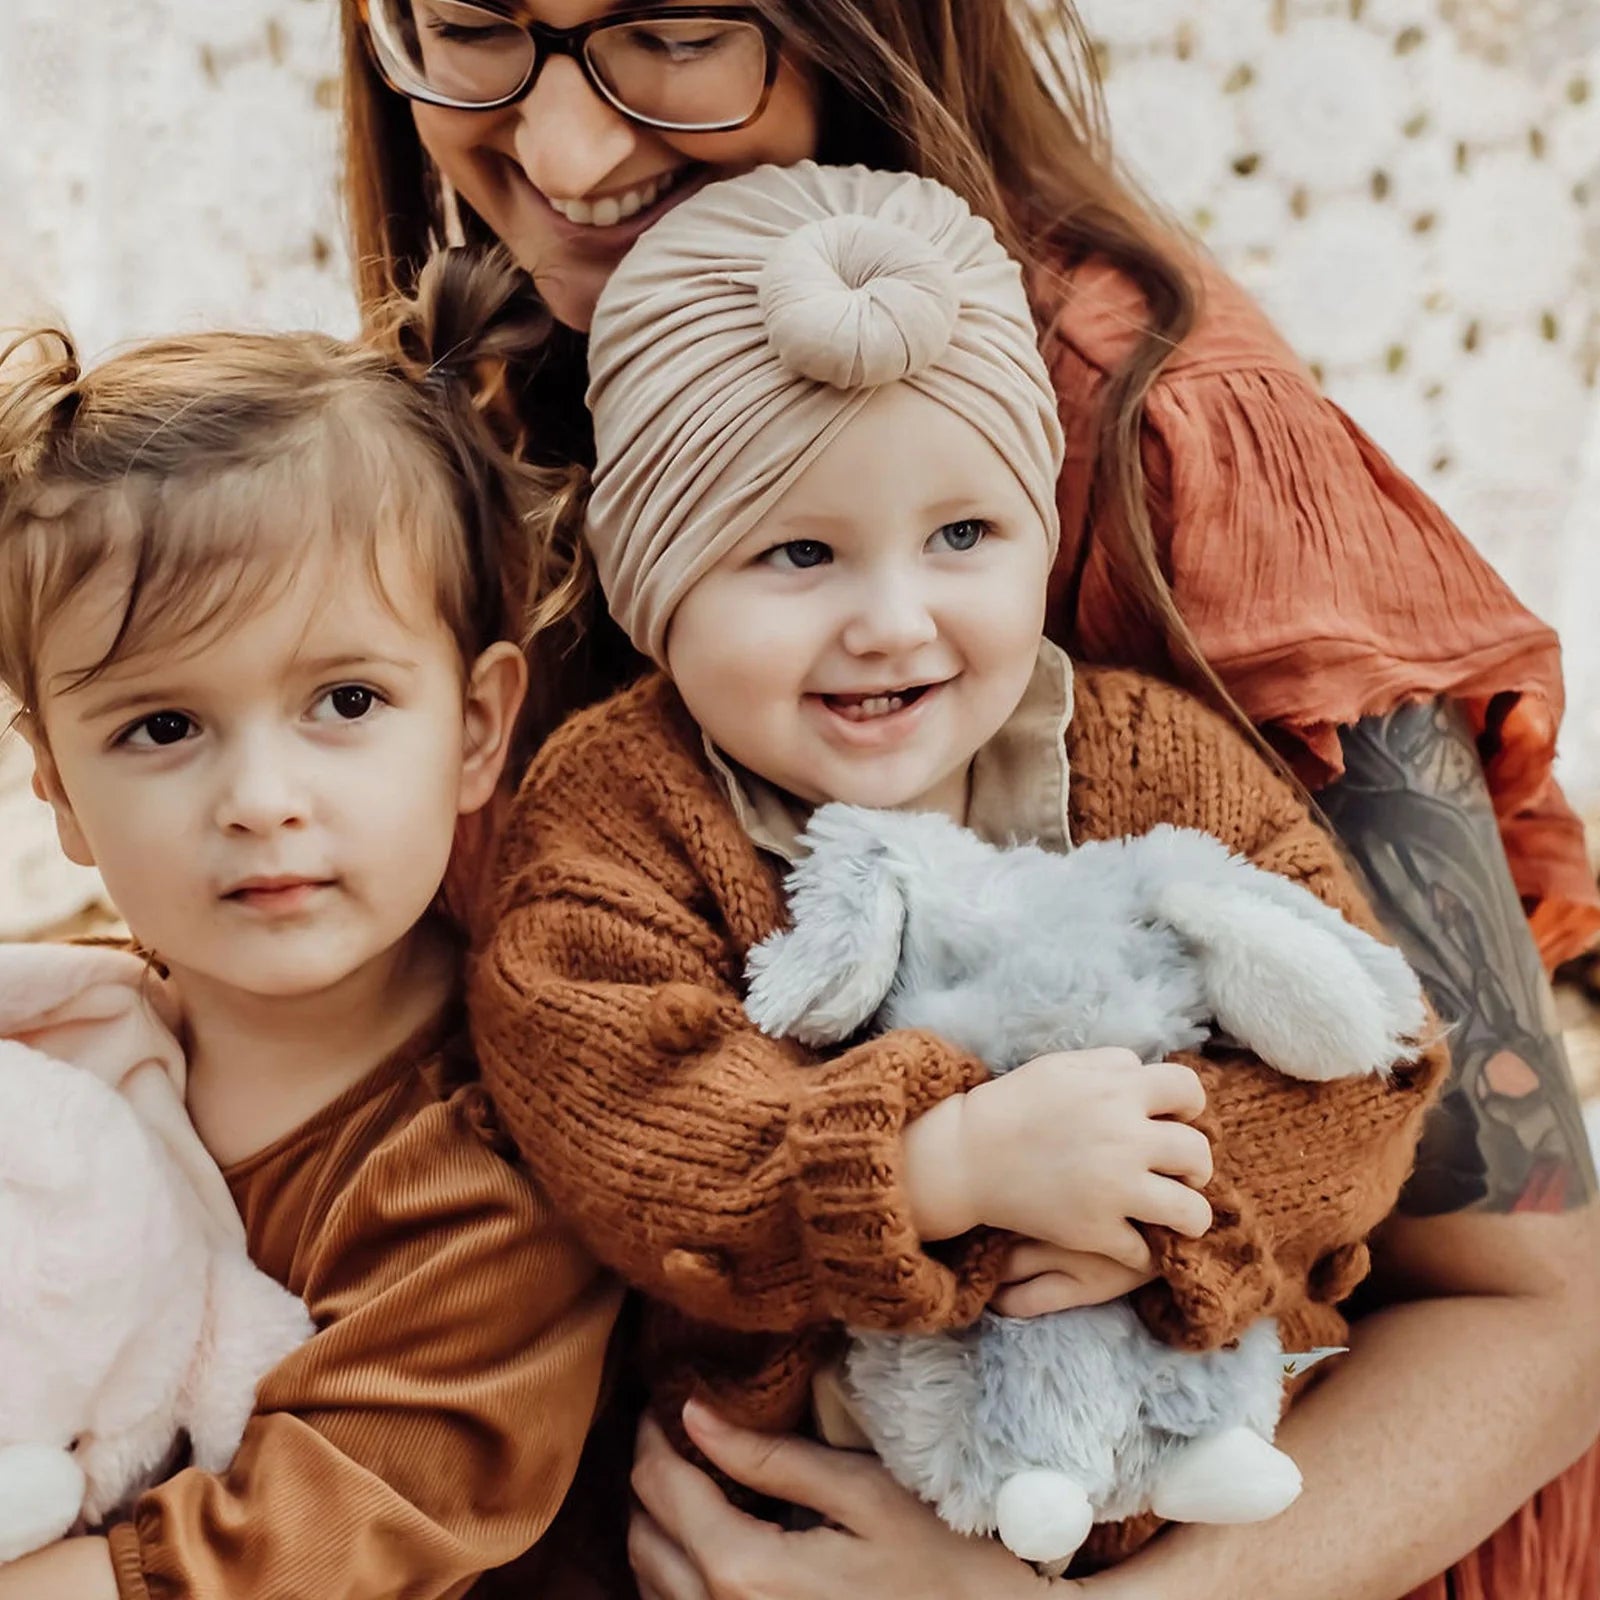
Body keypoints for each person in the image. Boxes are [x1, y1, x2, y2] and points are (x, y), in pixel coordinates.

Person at [339, 4, 1600, 1595]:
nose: (569, 148)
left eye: (672, 32)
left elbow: (1535, 1301)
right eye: (468, 21)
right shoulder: (463, 390)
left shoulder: (1153, 431)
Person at [471, 155, 1449, 1578]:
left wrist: (1156, 1195)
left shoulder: (1149, 764)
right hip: (782, 1525)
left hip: (1172, 1492)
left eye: (961, 537)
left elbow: (1370, 1063)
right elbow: (625, 1115)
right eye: (799, 552)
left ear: (1035, 542)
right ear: (651, 576)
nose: (893, 619)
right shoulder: (616, 821)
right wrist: (940, 1168)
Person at [0, 251, 621, 1600]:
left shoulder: (493, 1153)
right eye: (164, 727)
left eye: (344, 703)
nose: (263, 802)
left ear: (475, 730)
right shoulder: (54, 1053)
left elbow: (336, 1524)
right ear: (59, 791)